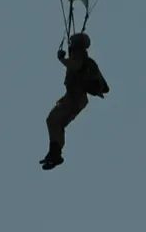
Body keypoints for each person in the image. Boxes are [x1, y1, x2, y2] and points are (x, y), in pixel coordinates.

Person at [40, 32, 109, 170]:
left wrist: (62, 59)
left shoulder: (81, 59)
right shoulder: (86, 61)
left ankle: (55, 153)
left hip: (75, 98)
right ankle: (55, 153)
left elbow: (75, 66)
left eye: (72, 45)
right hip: (74, 98)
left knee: (54, 120)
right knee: (55, 121)